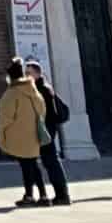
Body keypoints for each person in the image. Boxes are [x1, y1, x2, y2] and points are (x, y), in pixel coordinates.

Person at [0, 58, 49, 207]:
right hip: (33, 134)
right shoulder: (33, 89)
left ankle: (29, 196)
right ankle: (43, 195)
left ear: (10, 76)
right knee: (33, 164)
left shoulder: (11, 93)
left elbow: (5, 117)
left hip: (19, 135)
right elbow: (42, 109)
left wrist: (0, 132)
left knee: (26, 165)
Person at [24, 58, 72, 205]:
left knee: (51, 161)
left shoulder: (42, 89)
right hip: (46, 128)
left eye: (29, 73)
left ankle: (62, 195)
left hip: (46, 129)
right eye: (25, 73)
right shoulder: (42, 87)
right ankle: (60, 194)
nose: (26, 76)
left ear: (37, 74)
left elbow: (43, 111)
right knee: (50, 161)